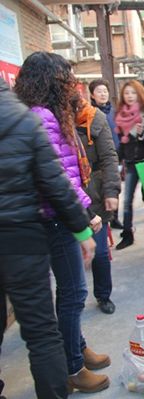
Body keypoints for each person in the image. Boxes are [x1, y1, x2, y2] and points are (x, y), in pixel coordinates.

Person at [14, 51, 110, 393]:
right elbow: (58, 176)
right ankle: (72, 366)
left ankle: (77, 347)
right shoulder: (43, 116)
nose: (72, 84)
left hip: (52, 215)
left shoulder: (45, 112)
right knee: (72, 293)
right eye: (65, 78)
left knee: (70, 291)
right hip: (54, 218)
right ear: (51, 81)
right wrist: (85, 212)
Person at [0, 78, 97, 398]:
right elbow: (55, 181)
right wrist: (82, 228)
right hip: (20, 236)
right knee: (41, 335)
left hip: (23, 235)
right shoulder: (23, 119)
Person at [76, 98, 120, 314]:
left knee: (100, 252)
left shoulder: (96, 118)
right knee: (72, 256)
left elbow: (109, 157)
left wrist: (111, 190)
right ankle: (74, 300)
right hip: (67, 195)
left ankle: (103, 295)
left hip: (94, 190)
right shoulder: (54, 120)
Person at [114, 80, 144, 249]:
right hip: (131, 163)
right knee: (127, 200)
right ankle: (128, 235)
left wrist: (140, 135)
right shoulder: (121, 115)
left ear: (139, 94)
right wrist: (117, 161)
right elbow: (122, 143)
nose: (129, 96)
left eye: (133, 93)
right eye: (126, 93)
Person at [88, 78, 123, 230]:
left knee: (114, 188)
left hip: (116, 156)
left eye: (105, 91)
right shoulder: (89, 115)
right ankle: (105, 220)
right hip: (98, 161)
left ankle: (114, 218)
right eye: (99, 91)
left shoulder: (115, 113)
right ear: (92, 95)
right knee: (101, 192)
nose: (103, 94)